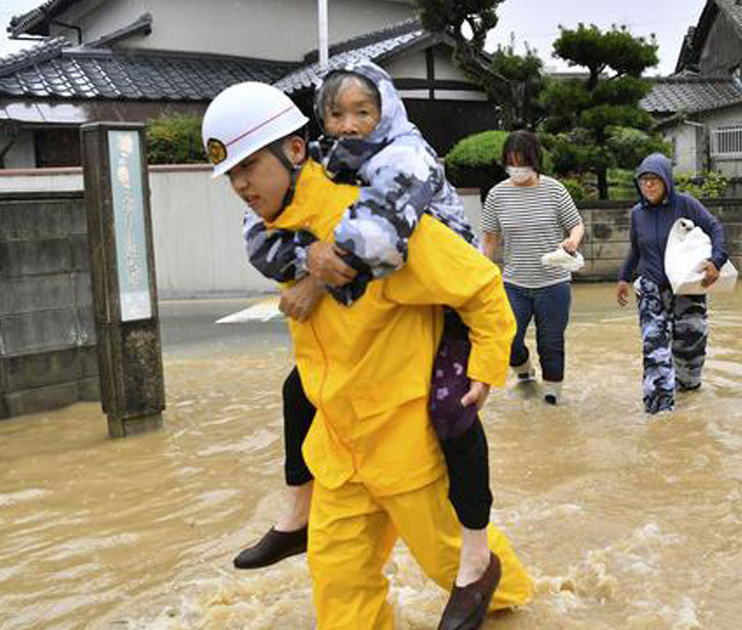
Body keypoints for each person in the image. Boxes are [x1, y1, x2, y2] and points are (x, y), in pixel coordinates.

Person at [204, 81, 532, 630]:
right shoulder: (278, 237)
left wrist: (485, 367)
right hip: (337, 454)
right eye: (231, 175)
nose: (240, 185)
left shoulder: (380, 225)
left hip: (407, 451)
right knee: (338, 590)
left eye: (249, 167)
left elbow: (479, 284)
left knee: (471, 578)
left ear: (293, 151)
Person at [616, 153, 728, 414]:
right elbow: (635, 249)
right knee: (654, 351)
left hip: (687, 289)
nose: (649, 186)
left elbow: (715, 229)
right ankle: (659, 413)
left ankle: (688, 392)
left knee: (691, 347)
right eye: (644, 181)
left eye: (654, 180)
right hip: (651, 289)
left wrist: (716, 261)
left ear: (666, 180)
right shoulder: (638, 214)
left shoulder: (686, 205)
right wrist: (623, 277)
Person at [480, 130, 584, 405]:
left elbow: (576, 223)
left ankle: (552, 399)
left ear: (535, 160)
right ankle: (524, 371)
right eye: (511, 162)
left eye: (522, 161)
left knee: (551, 344)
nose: (517, 168)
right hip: (514, 284)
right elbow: (490, 238)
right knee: (508, 340)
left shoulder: (554, 189)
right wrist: (482, 276)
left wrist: (572, 240)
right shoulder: (497, 195)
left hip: (554, 284)